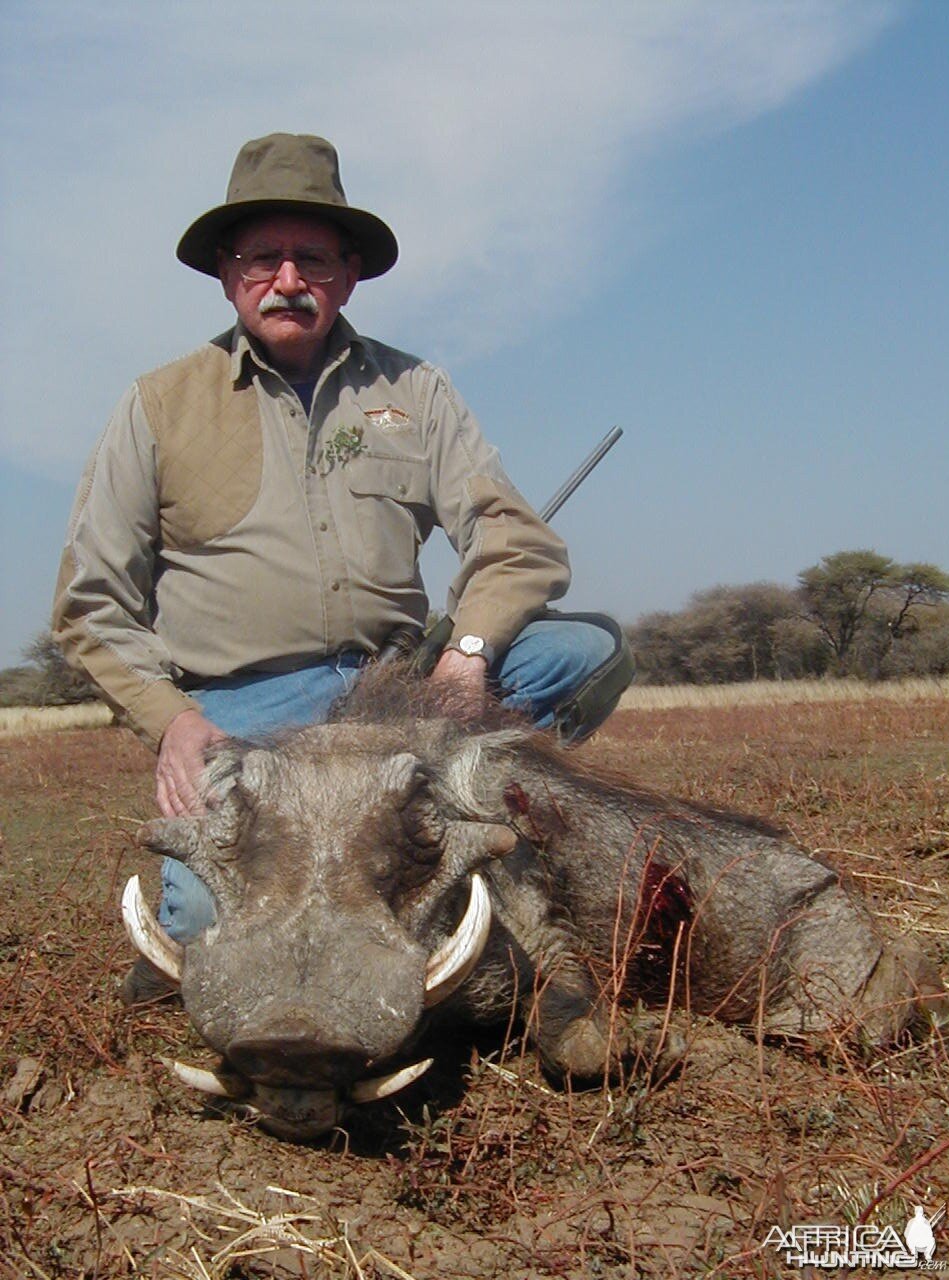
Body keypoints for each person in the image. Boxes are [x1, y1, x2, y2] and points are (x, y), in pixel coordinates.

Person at [52, 133, 626, 995]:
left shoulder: (415, 390)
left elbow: (515, 538)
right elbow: (91, 604)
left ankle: (477, 821)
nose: (289, 280)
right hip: (246, 706)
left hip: (393, 691)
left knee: (581, 653)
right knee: (206, 930)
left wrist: (465, 658)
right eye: (264, 257)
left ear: (349, 274)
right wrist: (173, 720)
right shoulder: (158, 405)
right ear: (225, 272)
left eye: (313, 258)